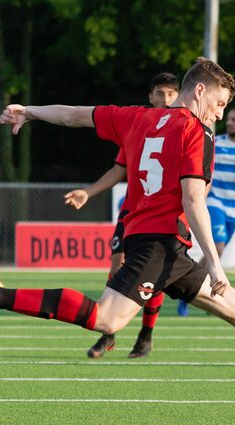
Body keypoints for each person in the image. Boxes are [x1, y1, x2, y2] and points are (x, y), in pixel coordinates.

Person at [0, 57, 235, 425]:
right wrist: (214, 261)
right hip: (159, 245)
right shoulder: (197, 132)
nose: (219, 114)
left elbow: (75, 114)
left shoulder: (136, 117)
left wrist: (29, 111)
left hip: (162, 243)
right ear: (199, 91)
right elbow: (194, 200)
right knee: (106, 319)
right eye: (219, 104)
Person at [70, 72, 179, 359]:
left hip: (164, 215)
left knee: (154, 276)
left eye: (170, 94)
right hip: (134, 211)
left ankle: (145, 334)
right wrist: (88, 192)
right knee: (117, 265)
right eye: (160, 93)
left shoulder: (186, 128)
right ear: (150, 96)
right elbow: (119, 170)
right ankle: (109, 334)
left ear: (178, 97)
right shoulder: (138, 126)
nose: (165, 99)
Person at [176, 107, 235, 316]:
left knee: (215, 255)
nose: (229, 123)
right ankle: (192, 290)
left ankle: (200, 290)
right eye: (229, 119)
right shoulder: (215, 141)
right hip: (214, 201)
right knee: (216, 249)